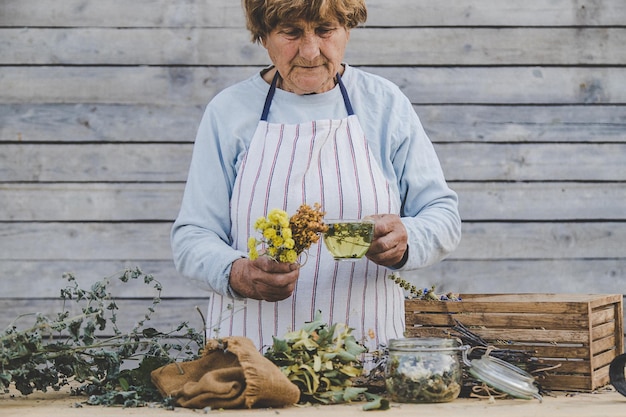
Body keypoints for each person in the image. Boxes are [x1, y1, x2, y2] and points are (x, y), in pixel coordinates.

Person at [171, 0, 461, 352]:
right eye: (291, 32)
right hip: (250, 363)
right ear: (264, 36)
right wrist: (238, 272)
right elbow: (192, 236)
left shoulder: (384, 104)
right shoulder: (229, 112)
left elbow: (443, 216)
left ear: (347, 30)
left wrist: (406, 239)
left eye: (325, 30)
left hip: (368, 360)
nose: (310, 52)